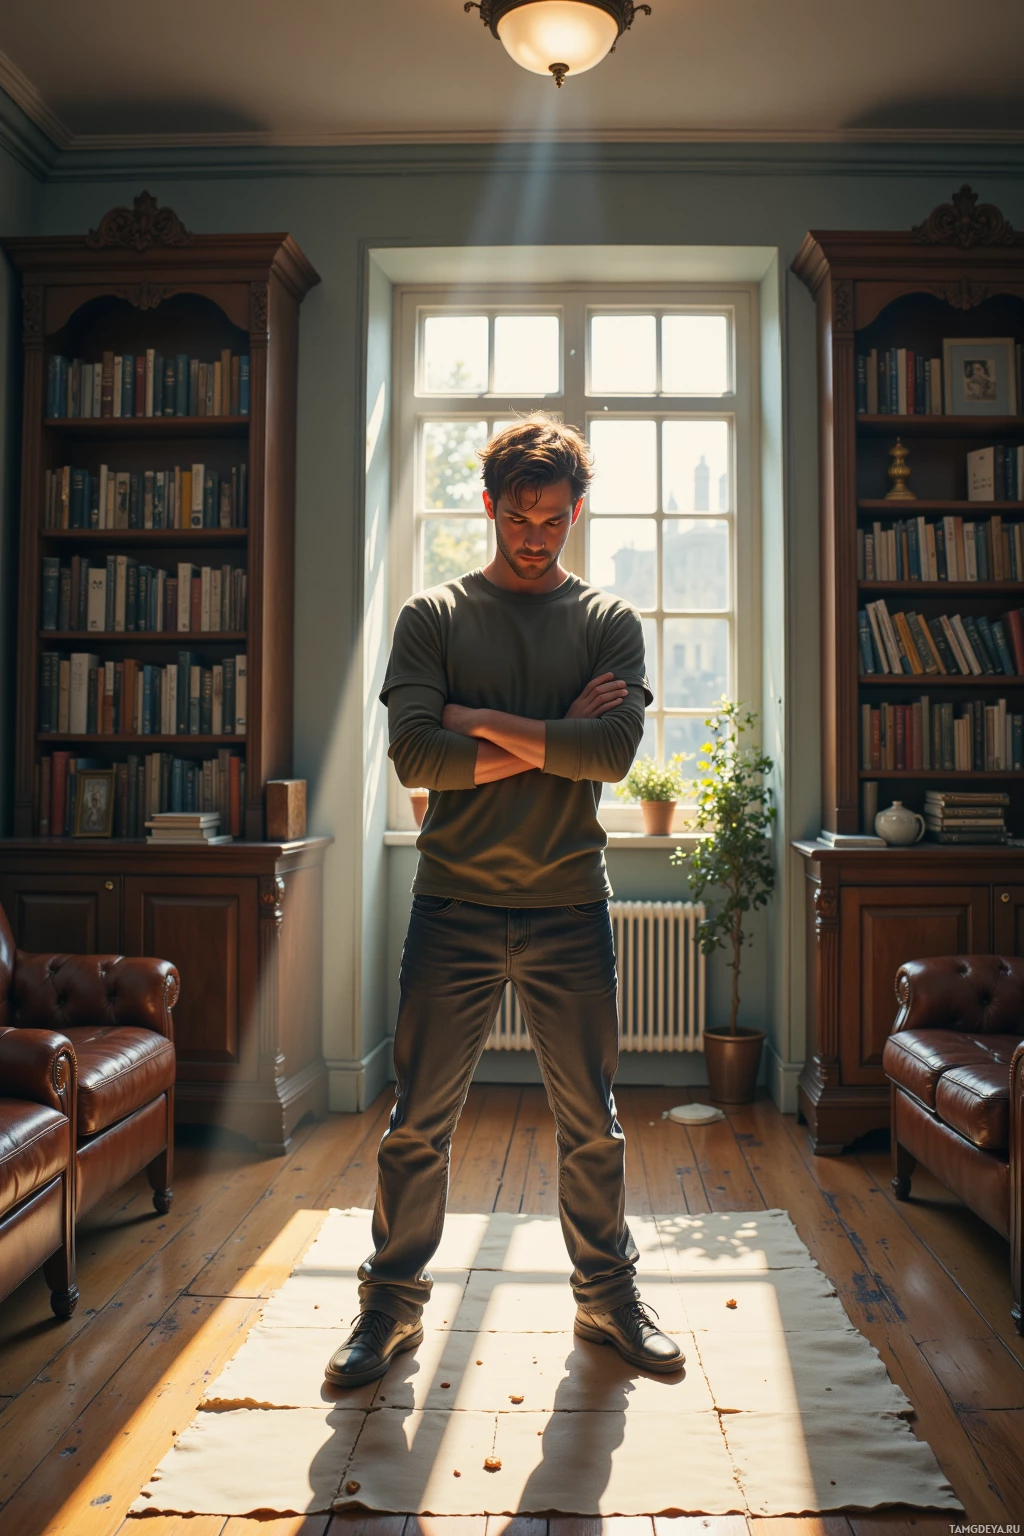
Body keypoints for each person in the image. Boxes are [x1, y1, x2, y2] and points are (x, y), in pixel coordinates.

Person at [325, 415, 683, 1388]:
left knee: (593, 1125)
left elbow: (609, 755)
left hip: (570, 904)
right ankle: (390, 1307)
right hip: (455, 904)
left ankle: (607, 1296)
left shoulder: (607, 621)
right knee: (417, 1125)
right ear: (488, 506)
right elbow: (416, 756)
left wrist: (480, 719)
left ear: (576, 513)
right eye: (519, 518)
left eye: (553, 520)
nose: (535, 537)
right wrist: (551, 733)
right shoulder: (433, 617)